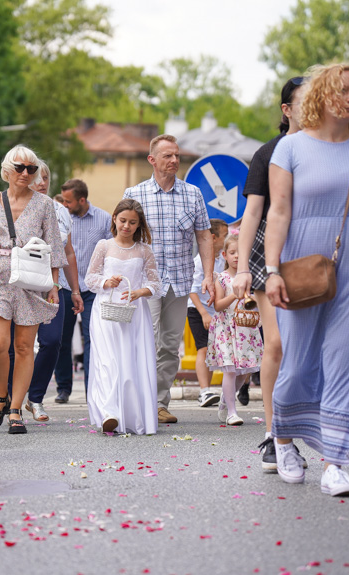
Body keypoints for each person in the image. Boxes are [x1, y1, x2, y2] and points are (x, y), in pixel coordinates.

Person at [264, 63, 349, 497]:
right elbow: (277, 212)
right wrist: (273, 268)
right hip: (303, 259)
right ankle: (282, 440)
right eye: (343, 90)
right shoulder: (292, 148)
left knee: (344, 361)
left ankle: (336, 461)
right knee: (298, 361)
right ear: (321, 95)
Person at [232, 77, 307, 471]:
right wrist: (242, 267)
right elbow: (253, 215)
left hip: (314, 254)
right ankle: (274, 433)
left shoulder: (329, 148)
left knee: (311, 346)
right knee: (276, 342)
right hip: (269, 254)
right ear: (286, 110)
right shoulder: (269, 153)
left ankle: (314, 429)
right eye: (305, 100)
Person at [124, 134, 215, 424]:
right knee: (146, 341)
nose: (175, 160)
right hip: (144, 282)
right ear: (152, 160)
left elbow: (204, 236)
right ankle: (139, 402)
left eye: (176, 155)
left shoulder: (193, 194)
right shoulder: (134, 194)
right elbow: (123, 236)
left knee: (170, 344)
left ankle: (159, 403)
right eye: (167, 156)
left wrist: (209, 276)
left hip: (180, 280)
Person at [0, 145, 67, 435]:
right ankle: (0, 397)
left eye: (31, 168)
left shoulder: (44, 204)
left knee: (24, 347)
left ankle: (16, 408)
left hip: (31, 278)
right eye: (20, 168)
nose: (26, 173)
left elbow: (54, 243)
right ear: (7, 170)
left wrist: (55, 285)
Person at [7, 160, 83, 422]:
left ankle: (35, 398)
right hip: (19, 285)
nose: (40, 181)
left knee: (52, 341)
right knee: (14, 346)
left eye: (45, 177)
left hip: (52, 285)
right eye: (36, 176)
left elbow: (68, 252)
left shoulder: (60, 211)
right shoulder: (11, 206)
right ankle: (8, 398)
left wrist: (75, 289)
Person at [85, 199, 161, 435]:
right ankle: (109, 412)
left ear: (139, 225)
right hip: (105, 312)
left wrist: (140, 291)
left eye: (132, 222)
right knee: (107, 362)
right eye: (123, 221)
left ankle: (132, 415)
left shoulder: (144, 250)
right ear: (114, 220)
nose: (127, 226)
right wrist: (106, 282)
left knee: (131, 363)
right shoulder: (104, 246)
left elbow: (156, 284)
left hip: (134, 314)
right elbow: (90, 278)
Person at [54, 179, 111, 403]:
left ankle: (91, 390)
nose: (64, 205)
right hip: (65, 287)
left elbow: (111, 252)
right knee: (61, 339)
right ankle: (63, 388)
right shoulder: (59, 217)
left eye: (68, 201)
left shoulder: (104, 219)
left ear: (82, 200)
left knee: (92, 339)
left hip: (92, 289)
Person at [207, 232, 263, 426]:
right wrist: (235, 295)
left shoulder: (251, 277)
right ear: (224, 255)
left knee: (244, 371)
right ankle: (232, 411)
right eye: (232, 252)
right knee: (230, 370)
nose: (237, 256)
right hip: (226, 329)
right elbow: (218, 306)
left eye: (240, 252)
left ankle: (226, 397)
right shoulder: (221, 278)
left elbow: (258, 301)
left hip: (246, 329)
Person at [187, 219, 227, 407]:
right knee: (203, 348)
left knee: (216, 351)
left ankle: (224, 390)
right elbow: (192, 290)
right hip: (198, 309)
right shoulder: (199, 262)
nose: (227, 240)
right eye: (225, 236)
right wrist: (204, 313)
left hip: (218, 311)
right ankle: (204, 391)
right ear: (213, 238)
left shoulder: (224, 260)